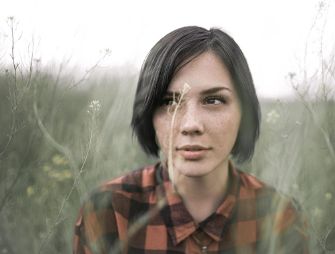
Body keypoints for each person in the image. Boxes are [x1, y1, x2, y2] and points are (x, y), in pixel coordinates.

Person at [73, 26, 308, 254]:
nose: (190, 125)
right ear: (148, 114)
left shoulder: (279, 217)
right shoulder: (108, 213)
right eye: (169, 102)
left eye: (213, 100)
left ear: (244, 113)